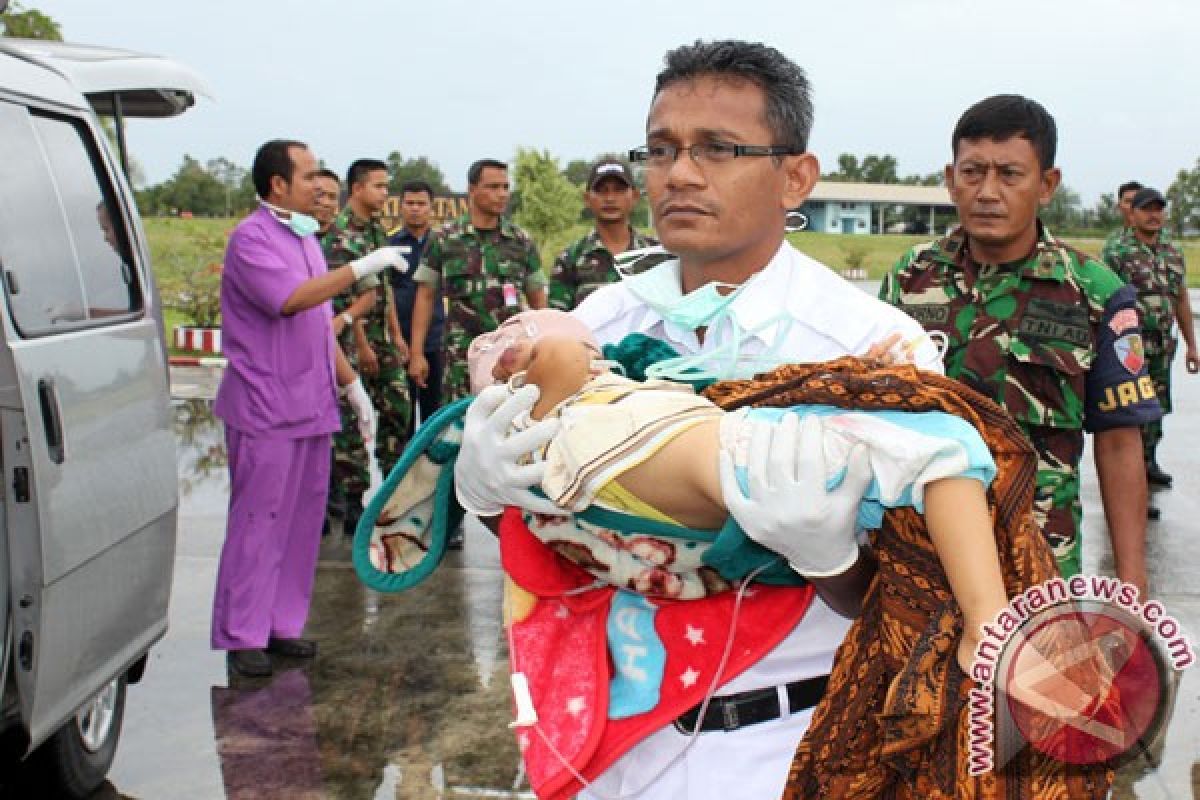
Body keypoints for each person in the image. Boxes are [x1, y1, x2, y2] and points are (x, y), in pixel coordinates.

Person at [451, 40, 939, 799]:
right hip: (616, 739)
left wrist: (828, 555)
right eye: (660, 150)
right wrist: (491, 496)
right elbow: (562, 541)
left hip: (789, 744)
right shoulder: (591, 328)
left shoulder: (871, 349)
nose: (678, 173)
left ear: (795, 176)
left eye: (717, 148)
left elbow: (920, 604)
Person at [880, 95, 1161, 592]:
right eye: (972, 172)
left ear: (1047, 184)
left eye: (1009, 174)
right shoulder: (909, 278)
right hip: (919, 559)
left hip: (1037, 564)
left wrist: (1130, 589)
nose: (988, 192)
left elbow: (1119, 445)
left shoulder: (1094, 293)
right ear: (951, 179)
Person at [212, 138, 405, 676]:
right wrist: (357, 269)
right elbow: (290, 299)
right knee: (258, 521)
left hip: (310, 403)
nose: (317, 185)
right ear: (278, 184)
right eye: (307, 176)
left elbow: (318, 324)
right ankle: (242, 631)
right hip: (265, 405)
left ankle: (280, 625)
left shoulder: (305, 239)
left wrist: (350, 386)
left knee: (299, 523)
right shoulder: (251, 240)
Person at [407, 158, 547, 404]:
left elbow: (538, 300)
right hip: (462, 359)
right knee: (458, 432)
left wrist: (544, 348)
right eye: (493, 187)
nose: (501, 194)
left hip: (510, 359)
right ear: (472, 190)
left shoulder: (520, 241)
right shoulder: (445, 239)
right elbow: (426, 296)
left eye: (505, 187)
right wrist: (417, 353)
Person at [323, 159, 413, 533]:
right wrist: (361, 343)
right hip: (350, 343)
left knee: (398, 412)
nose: (384, 193)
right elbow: (348, 297)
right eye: (378, 186)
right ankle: (351, 501)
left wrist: (397, 336)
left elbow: (383, 290)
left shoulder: (377, 231)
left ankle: (393, 494)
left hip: (382, 339)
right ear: (357, 189)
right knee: (352, 423)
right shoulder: (340, 236)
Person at [1102, 186, 1198, 488]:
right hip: (1128, 348)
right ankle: (1134, 481)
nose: (1154, 215)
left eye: (1159, 209)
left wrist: (1192, 346)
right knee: (1131, 412)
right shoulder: (1118, 251)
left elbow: (1180, 299)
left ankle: (1148, 463)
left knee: (1157, 408)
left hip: (1162, 348)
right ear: (1133, 213)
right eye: (1147, 209)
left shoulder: (1172, 252)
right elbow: (1105, 300)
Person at [548, 158, 659, 311]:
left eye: (619, 190)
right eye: (601, 190)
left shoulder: (657, 254)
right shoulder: (570, 258)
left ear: (634, 196)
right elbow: (558, 320)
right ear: (587, 199)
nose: (610, 198)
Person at [389, 180, 445, 431]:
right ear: (400, 207)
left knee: (436, 415)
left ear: (431, 208)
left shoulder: (444, 244)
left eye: (421, 204)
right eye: (409, 203)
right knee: (402, 416)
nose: (415, 209)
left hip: (436, 339)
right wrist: (398, 339)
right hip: (399, 340)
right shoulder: (390, 246)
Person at [312, 168, 341, 236]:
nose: (326, 203)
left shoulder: (346, 239)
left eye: (332, 197)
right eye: (320, 195)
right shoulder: (291, 235)